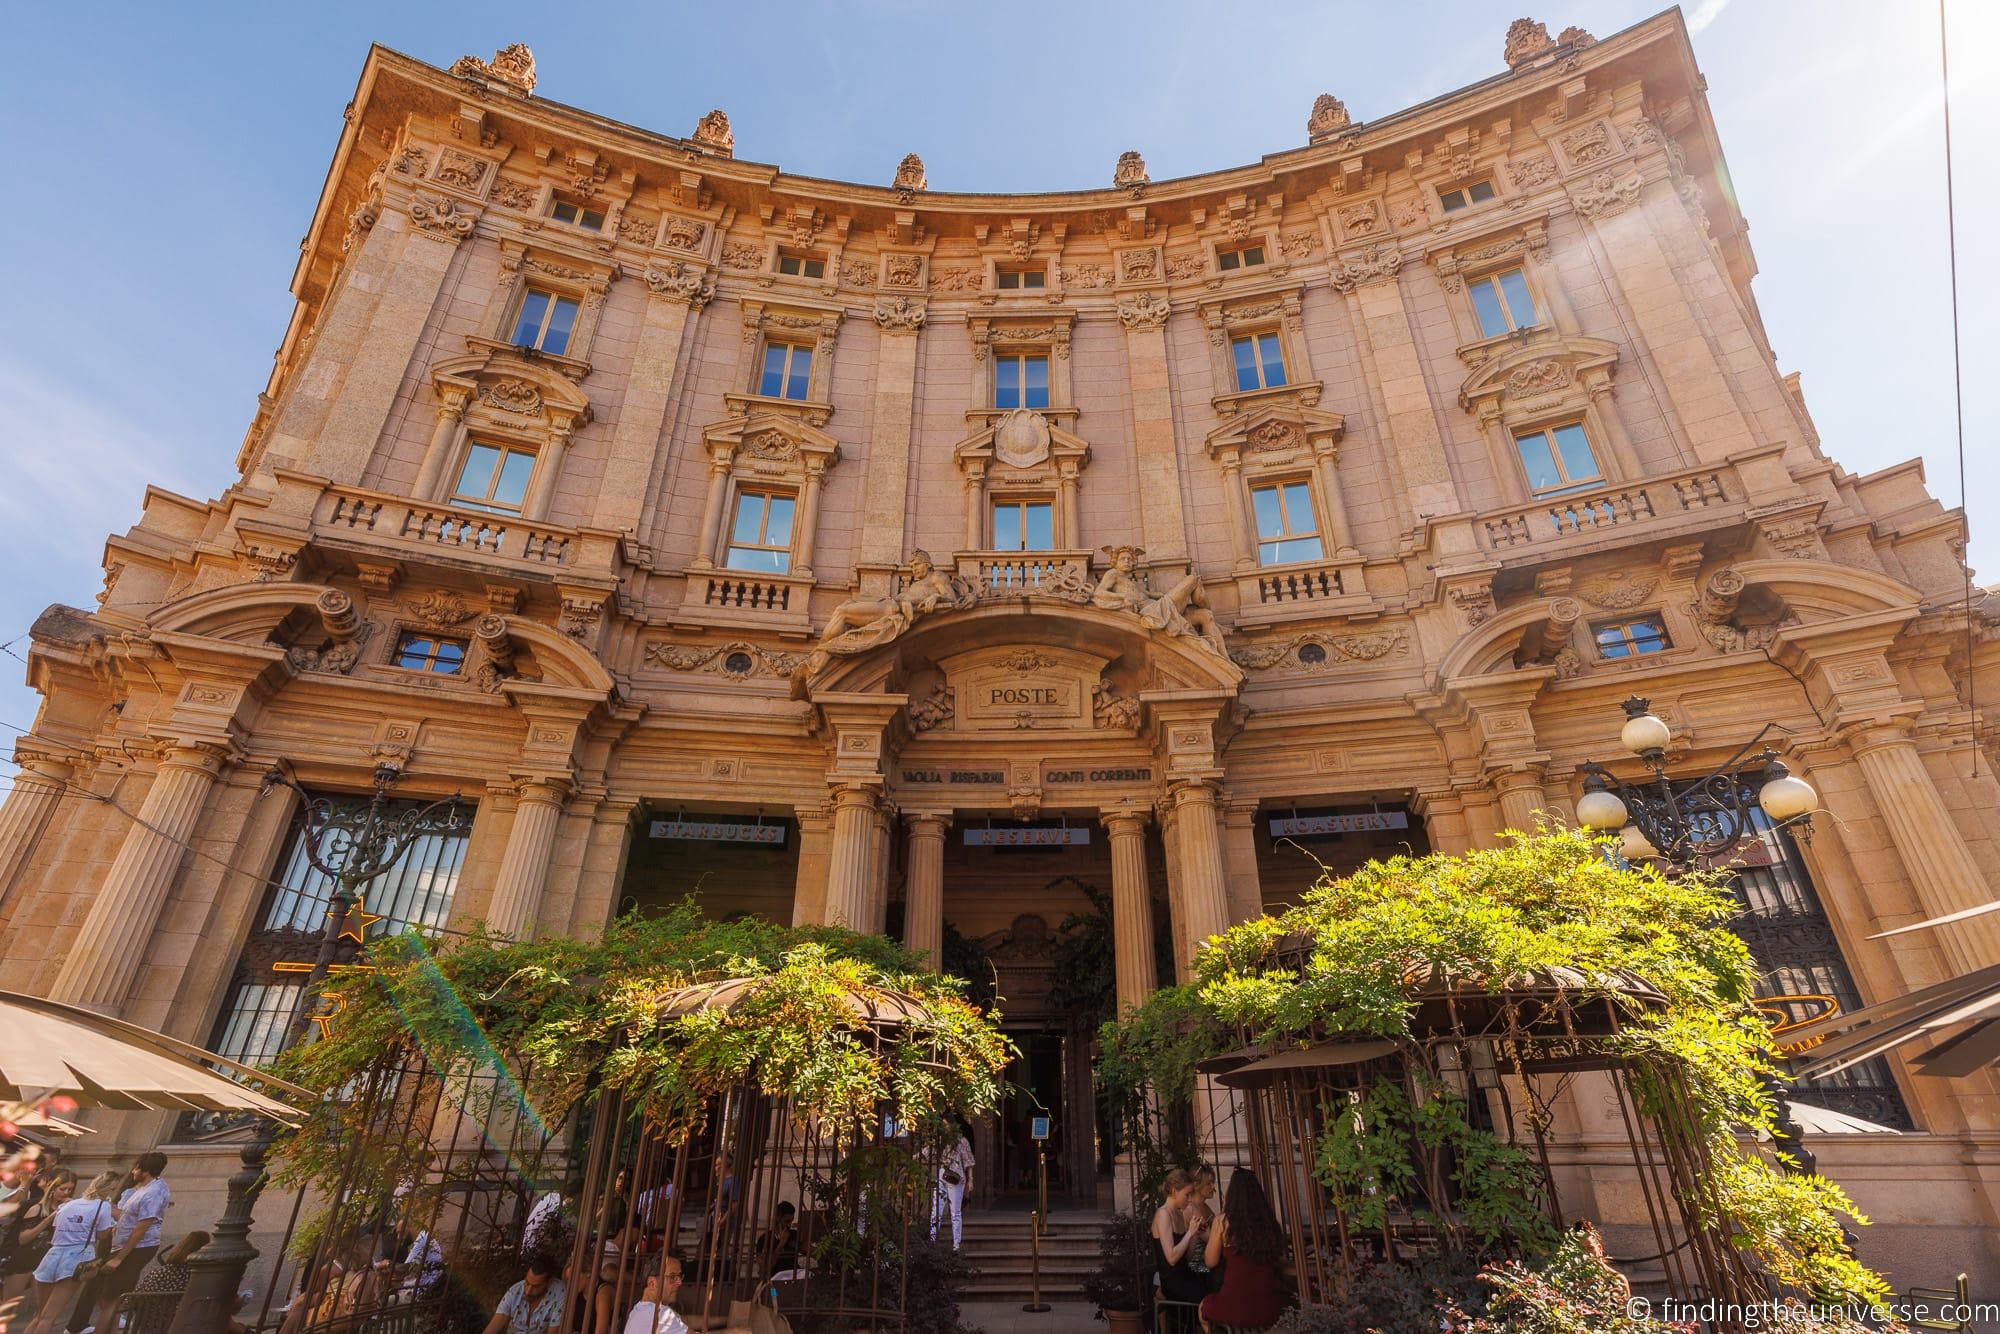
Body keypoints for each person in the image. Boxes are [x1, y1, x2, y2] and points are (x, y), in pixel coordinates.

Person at [25, 1170, 119, 1334]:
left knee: (39, 1315)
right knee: (49, 1317)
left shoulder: (66, 1205)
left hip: (52, 1255)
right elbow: (103, 1235)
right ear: (109, 1190)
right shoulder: (103, 1206)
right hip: (76, 1257)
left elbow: (56, 1228)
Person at [88, 1151, 171, 1333]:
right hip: (121, 1244)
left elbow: (141, 1228)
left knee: (113, 1297)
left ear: (146, 1170)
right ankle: (113, 1329)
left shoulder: (153, 1193)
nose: (133, 1172)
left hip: (137, 1248)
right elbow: (127, 1216)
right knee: (106, 1296)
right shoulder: (141, 1189)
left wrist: (119, 1258)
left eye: (136, 1168)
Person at [1198, 1171, 1286, 1332]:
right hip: (1268, 1306)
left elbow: (1210, 1261)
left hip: (1234, 1305)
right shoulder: (1269, 1223)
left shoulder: (1223, 1222)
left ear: (1232, 1194)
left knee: (1203, 1307)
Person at [4, 1167, 74, 1309]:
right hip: (25, 1259)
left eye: (70, 1189)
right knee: (7, 1307)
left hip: (46, 1260)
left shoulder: (69, 1208)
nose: (66, 1193)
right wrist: (48, 1220)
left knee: (42, 1308)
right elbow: (23, 1239)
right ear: (52, 1187)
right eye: (63, 1189)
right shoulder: (36, 1207)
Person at [124, 1230, 211, 1334]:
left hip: (148, 1327)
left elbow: (130, 1301)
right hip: (178, 1326)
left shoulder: (158, 1272)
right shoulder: (194, 1276)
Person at [1151, 1169, 1208, 1305]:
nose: (1189, 1200)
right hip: (1172, 1282)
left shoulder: (1179, 1214)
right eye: (1187, 1195)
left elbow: (1186, 1257)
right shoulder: (1163, 1214)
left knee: (1213, 1284)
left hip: (1186, 1275)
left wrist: (1195, 1233)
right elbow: (1171, 1258)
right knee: (1206, 1299)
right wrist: (1189, 1233)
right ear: (1175, 1191)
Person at [484, 1253, 566, 1334]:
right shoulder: (514, 1292)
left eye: (536, 1287)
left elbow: (553, 1332)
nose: (528, 1291)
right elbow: (495, 1324)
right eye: (527, 1283)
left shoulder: (559, 1293)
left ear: (549, 1282)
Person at [930, 1127, 974, 1252]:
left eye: (946, 1125)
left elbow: (968, 1161)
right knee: (936, 1208)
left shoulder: (962, 1141)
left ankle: (956, 1244)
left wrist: (971, 1179)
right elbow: (929, 1151)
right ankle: (932, 1240)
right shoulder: (940, 1140)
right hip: (943, 1174)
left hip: (956, 1176)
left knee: (955, 1212)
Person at [620, 1254, 687, 1334]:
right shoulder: (660, 1313)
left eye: (679, 1276)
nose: (679, 1283)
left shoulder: (637, 1310)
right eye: (672, 1277)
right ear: (652, 1283)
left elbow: (683, 1320)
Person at [1183, 1168, 1218, 1284]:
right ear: (1196, 1185)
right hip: (1197, 1268)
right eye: (1209, 1183)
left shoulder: (1205, 1207)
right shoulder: (1191, 1208)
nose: (1213, 1187)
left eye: (1213, 1182)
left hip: (1209, 1263)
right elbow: (1211, 1238)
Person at [755, 1203, 799, 1280]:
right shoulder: (764, 1239)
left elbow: (807, 1249)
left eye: (791, 1221)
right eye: (787, 1221)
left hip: (794, 1279)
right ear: (778, 1219)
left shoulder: (794, 1235)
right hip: (774, 1281)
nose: (789, 1225)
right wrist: (781, 1244)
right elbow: (765, 1268)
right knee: (773, 1292)